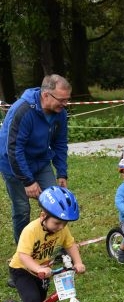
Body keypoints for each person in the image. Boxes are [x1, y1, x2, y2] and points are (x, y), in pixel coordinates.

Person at [8, 186, 85, 302]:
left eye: (64, 224)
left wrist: (78, 262)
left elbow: (70, 245)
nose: (61, 227)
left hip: (43, 270)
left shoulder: (61, 229)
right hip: (22, 269)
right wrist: (38, 269)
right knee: (33, 298)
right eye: (57, 223)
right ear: (43, 216)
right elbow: (23, 255)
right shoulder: (31, 231)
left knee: (40, 299)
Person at [0, 74, 72, 244]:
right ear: (46, 95)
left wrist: (62, 172)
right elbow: (14, 149)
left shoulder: (59, 113)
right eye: (61, 100)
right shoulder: (23, 110)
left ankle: (56, 247)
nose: (65, 104)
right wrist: (28, 181)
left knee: (58, 206)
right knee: (22, 209)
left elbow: (60, 143)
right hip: (13, 164)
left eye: (67, 100)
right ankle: (23, 253)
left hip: (40, 161)